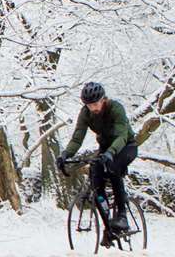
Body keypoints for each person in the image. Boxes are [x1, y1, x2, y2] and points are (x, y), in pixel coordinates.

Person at [59, 82, 138, 245]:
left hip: (125, 146)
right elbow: (77, 137)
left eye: (95, 104)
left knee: (113, 168)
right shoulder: (86, 113)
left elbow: (122, 136)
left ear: (103, 100)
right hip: (106, 147)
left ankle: (122, 216)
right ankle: (108, 227)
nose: (93, 108)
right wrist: (66, 154)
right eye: (89, 105)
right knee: (96, 180)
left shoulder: (116, 108)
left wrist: (110, 153)